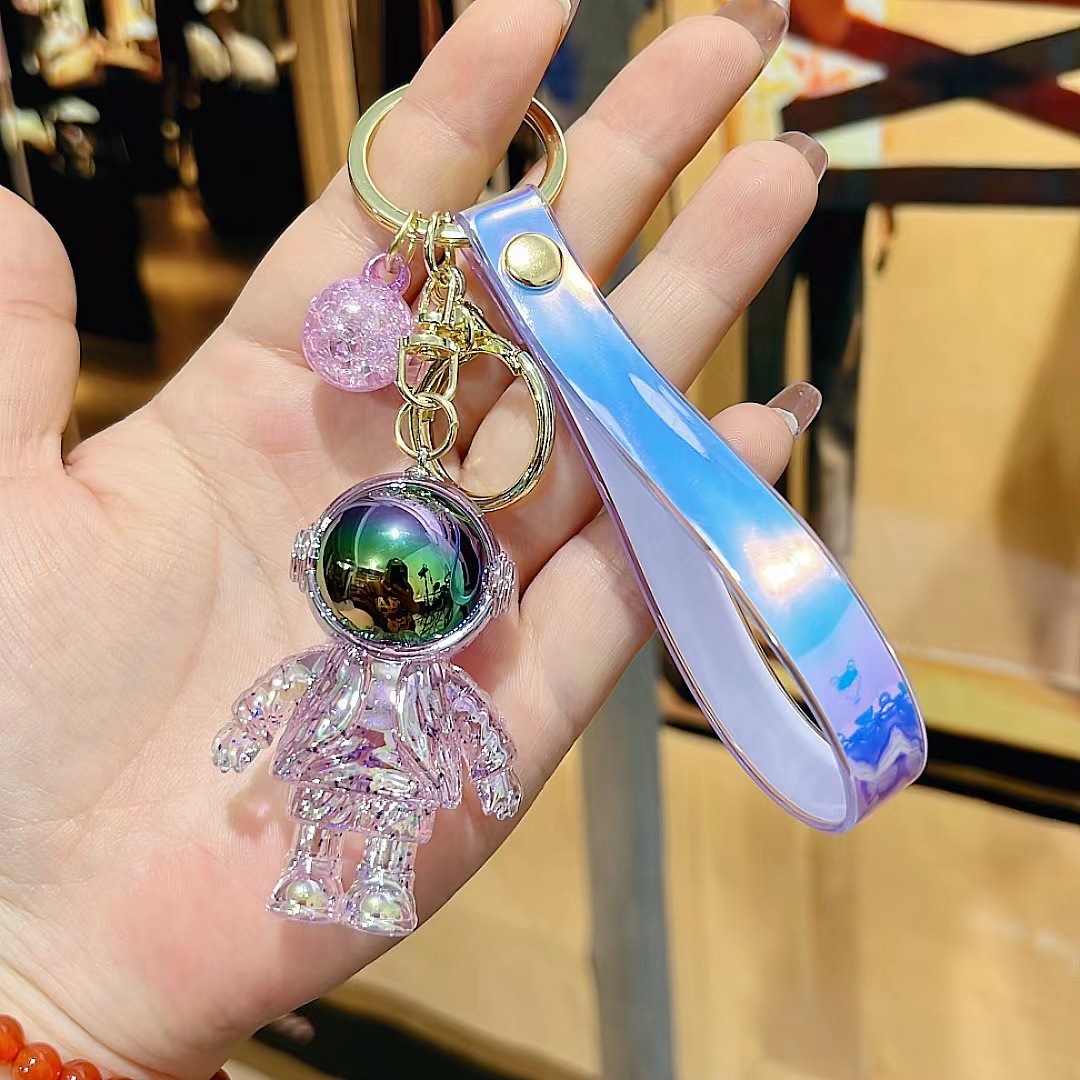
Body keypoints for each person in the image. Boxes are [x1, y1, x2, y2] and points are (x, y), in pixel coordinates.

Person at [0, 0, 825, 1075]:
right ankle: (317, 872)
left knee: (383, 829)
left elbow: (465, 723)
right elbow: (293, 695)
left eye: (411, 587)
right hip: (336, 755)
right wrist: (48, 974)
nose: (389, 594)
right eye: (369, 579)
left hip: (385, 760)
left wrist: (53, 996)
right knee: (333, 815)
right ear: (320, 567)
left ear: (464, 596)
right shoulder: (355, 634)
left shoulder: (415, 630)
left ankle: (371, 878)